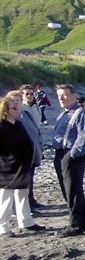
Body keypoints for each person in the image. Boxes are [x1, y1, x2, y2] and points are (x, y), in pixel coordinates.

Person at [0, 97, 46, 237]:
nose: (17, 110)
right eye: (14, 108)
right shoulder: (2, 126)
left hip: (23, 165)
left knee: (22, 194)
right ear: (5, 111)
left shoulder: (18, 123)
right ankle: (2, 225)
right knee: (5, 197)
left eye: (17, 107)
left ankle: (26, 221)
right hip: (7, 167)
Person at [52, 84, 85, 237]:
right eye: (59, 96)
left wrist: (73, 154)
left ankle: (76, 224)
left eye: (64, 95)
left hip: (71, 156)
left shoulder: (80, 113)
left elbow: (84, 136)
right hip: (62, 153)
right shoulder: (64, 113)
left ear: (74, 96)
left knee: (72, 190)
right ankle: (82, 222)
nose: (61, 98)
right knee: (70, 189)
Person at [17, 86, 44, 209]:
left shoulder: (36, 108)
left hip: (35, 143)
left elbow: (37, 127)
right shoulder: (20, 109)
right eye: (27, 94)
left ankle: (31, 199)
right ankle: (27, 202)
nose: (29, 96)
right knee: (25, 176)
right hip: (26, 145)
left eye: (31, 94)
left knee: (32, 174)